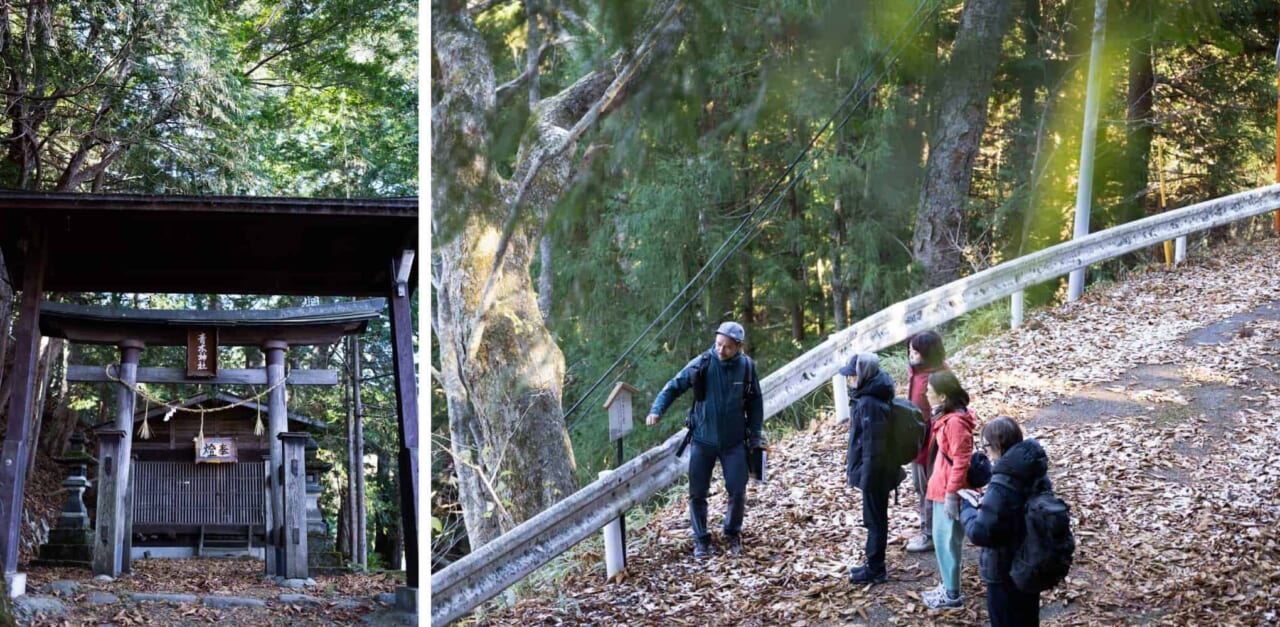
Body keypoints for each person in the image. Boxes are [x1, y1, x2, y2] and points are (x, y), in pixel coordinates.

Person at [646, 321, 764, 558]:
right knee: (697, 492)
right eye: (718, 344)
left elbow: (755, 404)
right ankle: (701, 540)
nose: (721, 350)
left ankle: (731, 533)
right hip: (703, 440)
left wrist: (755, 435)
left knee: (737, 489)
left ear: (739, 347)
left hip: (734, 442)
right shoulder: (703, 363)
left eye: (728, 347)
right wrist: (657, 410)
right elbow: (673, 386)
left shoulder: (746, 368)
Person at [960, 416, 1048, 626]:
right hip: (1030, 561)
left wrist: (967, 509)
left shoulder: (1002, 483)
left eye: (986, 447)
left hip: (1004, 567)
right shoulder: (1035, 471)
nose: (986, 453)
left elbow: (981, 533)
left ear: (998, 446)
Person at [921, 369, 977, 609]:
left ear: (943, 397)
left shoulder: (954, 423)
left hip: (947, 491)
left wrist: (951, 493)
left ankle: (952, 595)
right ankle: (948, 586)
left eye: (930, 391)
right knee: (944, 542)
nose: (925, 394)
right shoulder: (948, 417)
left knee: (947, 544)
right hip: (941, 489)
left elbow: (961, 460)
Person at [842, 352, 900, 585]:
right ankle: (873, 564)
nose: (849, 380)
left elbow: (873, 446)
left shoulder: (869, 403)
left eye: (852, 376)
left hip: (876, 473)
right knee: (874, 518)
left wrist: (867, 478)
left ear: (863, 375)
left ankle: (876, 568)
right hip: (876, 470)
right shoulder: (870, 395)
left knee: (875, 520)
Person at [905, 330, 947, 553]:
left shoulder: (934, 378)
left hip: (929, 443)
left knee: (928, 487)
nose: (911, 355)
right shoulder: (922, 371)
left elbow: (933, 414)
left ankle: (929, 534)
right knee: (923, 486)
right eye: (910, 350)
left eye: (915, 352)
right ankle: (931, 529)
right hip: (920, 440)